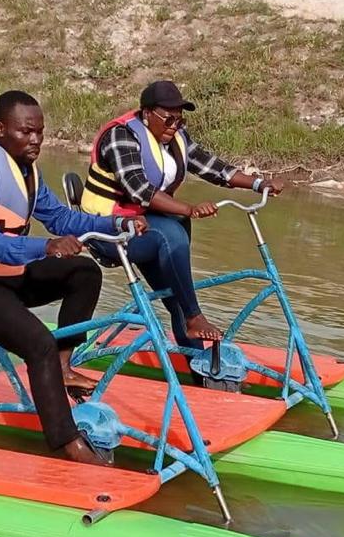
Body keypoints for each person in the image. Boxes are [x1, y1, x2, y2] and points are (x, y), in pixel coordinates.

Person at [0, 90, 146, 466]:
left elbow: (62, 219)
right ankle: (68, 445)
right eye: (26, 132)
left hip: (3, 274)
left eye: (40, 133)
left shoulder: (25, 171)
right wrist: (44, 248)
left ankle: (61, 368)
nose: (36, 141)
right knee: (38, 343)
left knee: (83, 271)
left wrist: (116, 222)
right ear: (0, 129)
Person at [81, 80, 282, 350]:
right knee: (172, 232)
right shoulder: (121, 137)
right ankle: (194, 317)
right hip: (107, 229)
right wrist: (190, 207)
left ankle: (195, 362)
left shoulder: (175, 135)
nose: (174, 125)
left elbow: (213, 168)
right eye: (168, 119)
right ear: (146, 114)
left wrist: (259, 184)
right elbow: (140, 190)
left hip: (142, 226)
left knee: (177, 287)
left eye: (179, 119)